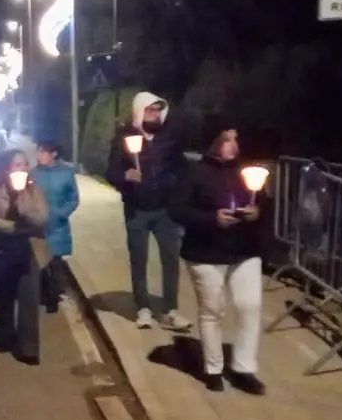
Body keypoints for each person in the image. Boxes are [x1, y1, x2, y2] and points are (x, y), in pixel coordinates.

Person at [169, 118, 268, 395]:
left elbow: (263, 202)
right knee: (213, 311)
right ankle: (213, 368)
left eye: (236, 139)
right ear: (214, 142)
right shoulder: (195, 172)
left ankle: (243, 368)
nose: (232, 146)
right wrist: (212, 218)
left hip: (244, 249)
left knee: (250, 306)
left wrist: (256, 212)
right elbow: (177, 209)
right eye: (226, 139)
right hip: (205, 252)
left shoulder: (247, 170)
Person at [105, 91, 192, 332]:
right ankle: (143, 308)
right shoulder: (124, 138)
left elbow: (182, 169)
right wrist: (125, 176)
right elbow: (110, 172)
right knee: (139, 259)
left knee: (171, 259)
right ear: (139, 111)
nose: (154, 115)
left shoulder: (169, 138)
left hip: (165, 210)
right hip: (136, 210)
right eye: (149, 110)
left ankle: (170, 310)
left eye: (157, 110)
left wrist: (177, 189)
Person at [0, 151, 49, 362]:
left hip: (29, 250)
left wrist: (26, 211)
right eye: (15, 165)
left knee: (29, 299)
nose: (19, 169)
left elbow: (42, 218)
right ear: (7, 169)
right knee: (5, 296)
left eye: (23, 164)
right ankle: (5, 334)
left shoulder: (34, 190)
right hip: (4, 250)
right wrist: (16, 228)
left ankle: (29, 347)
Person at [32, 140, 80, 313]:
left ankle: (53, 298)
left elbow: (73, 198)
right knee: (40, 263)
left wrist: (61, 212)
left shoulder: (66, 173)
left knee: (55, 263)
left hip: (58, 225)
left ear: (53, 154)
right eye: (38, 152)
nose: (39, 156)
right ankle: (41, 294)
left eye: (42, 152)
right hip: (38, 226)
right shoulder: (33, 174)